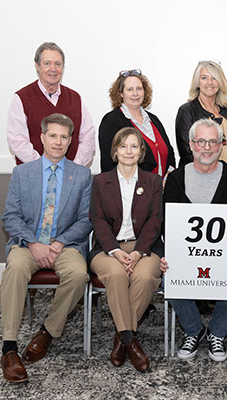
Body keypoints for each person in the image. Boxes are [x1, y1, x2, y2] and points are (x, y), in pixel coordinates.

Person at [0, 113, 92, 383]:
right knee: (15, 269)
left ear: (70, 140)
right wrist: (33, 243)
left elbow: (86, 219)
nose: (58, 141)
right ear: (41, 137)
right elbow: (10, 216)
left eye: (64, 137)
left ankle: (48, 331)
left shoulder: (82, 175)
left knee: (78, 275)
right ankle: (9, 347)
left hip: (64, 245)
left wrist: (60, 242)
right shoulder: (22, 173)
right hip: (28, 243)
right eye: (53, 135)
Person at [160, 118, 227, 362]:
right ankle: (193, 330)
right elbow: (168, 224)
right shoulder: (176, 179)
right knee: (170, 277)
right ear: (191, 144)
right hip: (186, 255)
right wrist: (168, 256)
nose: (207, 148)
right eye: (201, 142)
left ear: (222, 145)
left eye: (212, 142)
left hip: (222, 256)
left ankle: (216, 333)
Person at [88, 127, 162, 373]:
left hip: (144, 246)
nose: (128, 151)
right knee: (117, 275)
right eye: (123, 146)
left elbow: (155, 220)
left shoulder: (152, 181)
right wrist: (115, 251)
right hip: (108, 248)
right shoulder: (100, 181)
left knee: (145, 276)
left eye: (134, 146)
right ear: (115, 151)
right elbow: (97, 220)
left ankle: (120, 337)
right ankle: (130, 341)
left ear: (141, 151)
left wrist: (139, 251)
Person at [7, 42, 95, 167]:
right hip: (34, 175)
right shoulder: (21, 98)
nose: (53, 69)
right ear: (37, 66)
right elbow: (17, 140)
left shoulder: (75, 98)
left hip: (70, 177)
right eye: (47, 63)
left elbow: (88, 137)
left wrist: (75, 167)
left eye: (58, 64)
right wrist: (43, 167)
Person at [98, 70, 176, 178]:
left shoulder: (153, 119)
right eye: (130, 89)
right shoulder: (111, 121)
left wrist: (169, 177)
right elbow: (109, 162)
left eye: (139, 88)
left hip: (160, 190)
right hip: (130, 190)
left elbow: (169, 153)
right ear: (121, 93)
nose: (135, 93)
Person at [175, 61, 227, 170]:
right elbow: (187, 153)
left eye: (214, 78)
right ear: (197, 82)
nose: (209, 82)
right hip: (198, 180)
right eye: (204, 78)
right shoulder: (187, 111)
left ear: (220, 82)